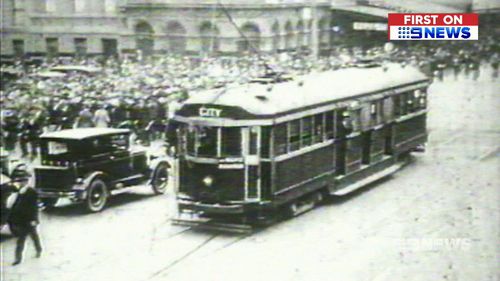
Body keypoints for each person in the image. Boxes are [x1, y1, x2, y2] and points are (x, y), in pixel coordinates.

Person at [8, 185, 43, 266]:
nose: (20, 183)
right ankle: (18, 258)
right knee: (23, 238)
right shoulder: (19, 192)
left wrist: (34, 219)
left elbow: (34, 208)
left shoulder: (32, 192)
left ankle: (38, 249)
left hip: (29, 219)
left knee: (33, 236)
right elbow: (15, 206)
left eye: (22, 181)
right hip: (22, 219)